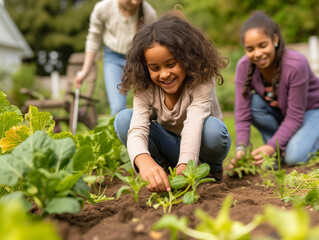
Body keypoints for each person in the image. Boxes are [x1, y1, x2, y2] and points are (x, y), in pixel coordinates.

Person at [114, 12, 231, 193]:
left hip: (201, 148)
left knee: (213, 130)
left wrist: (185, 166)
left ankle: (212, 173)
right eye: (155, 68)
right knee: (124, 120)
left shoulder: (201, 80)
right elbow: (137, 127)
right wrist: (144, 161)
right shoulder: (145, 86)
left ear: (187, 59)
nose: (164, 74)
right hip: (169, 146)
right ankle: (162, 172)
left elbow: (193, 124)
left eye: (171, 64)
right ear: (145, 68)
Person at [232, 11, 319, 167]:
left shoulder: (295, 65)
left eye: (263, 45)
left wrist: (272, 146)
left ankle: (280, 147)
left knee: (294, 157)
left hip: (312, 111)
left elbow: (295, 116)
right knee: (254, 104)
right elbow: (242, 113)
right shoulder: (244, 66)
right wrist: (241, 148)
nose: (257, 53)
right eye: (250, 49)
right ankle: (278, 151)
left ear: (275, 40)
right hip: (284, 113)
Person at [75, 0, 156, 116]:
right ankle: (119, 132)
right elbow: (93, 39)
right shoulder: (103, 8)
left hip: (137, 60)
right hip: (112, 58)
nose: (134, 3)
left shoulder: (149, 13)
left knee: (148, 105)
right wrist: (84, 71)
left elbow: (152, 45)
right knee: (118, 107)